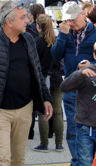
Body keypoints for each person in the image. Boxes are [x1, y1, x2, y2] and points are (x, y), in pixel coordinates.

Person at [0, 1, 53, 166]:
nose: (27, 21)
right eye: (22, 17)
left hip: (25, 108)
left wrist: (46, 98)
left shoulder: (29, 40)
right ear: (9, 22)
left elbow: (37, 72)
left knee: (18, 159)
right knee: (2, 159)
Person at [52, 1, 96, 166]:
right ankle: (78, 161)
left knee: (90, 129)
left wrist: (90, 64)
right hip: (71, 87)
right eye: (67, 20)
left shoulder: (95, 32)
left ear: (83, 14)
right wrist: (62, 35)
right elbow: (55, 56)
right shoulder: (65, 32)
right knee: (72, 129)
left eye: (73, 19)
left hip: (91, 89)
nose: (71, 23)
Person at [61, 42, 96, 166]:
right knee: (84, 162)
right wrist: (79, 74)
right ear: (94, 55)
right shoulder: (87, 72)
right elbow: (64, 87)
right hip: (85, 128)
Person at [33, 14, 64, 152]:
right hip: (57, 79)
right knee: (57, 112)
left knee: (42, 112)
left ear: (38, 26)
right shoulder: (57, 41)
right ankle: (59, 144)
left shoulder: (36, 42)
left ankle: (44, 144)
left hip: (42, 80)